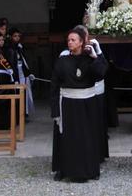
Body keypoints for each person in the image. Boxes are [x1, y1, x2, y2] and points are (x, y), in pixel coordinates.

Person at [51, 28, 108, 182]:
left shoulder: (90, 59)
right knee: (67, 139)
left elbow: (101, 73)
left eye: (73, 40)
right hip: (68, 104)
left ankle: (90, 170)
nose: (70, 42)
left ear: (82, 42)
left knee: (87, 138)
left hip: (87, 104)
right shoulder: (62, 60)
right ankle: (64, 170)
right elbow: (55, 85)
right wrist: (55, 109)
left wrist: (95, 56)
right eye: (68, 40)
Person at [7, 28, 35, 118]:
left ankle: (24, 113)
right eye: (15, 36)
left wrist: (28, 73)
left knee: (25, 95)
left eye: (19, 36)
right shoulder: (9, 49)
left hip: (22, 74)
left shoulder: (19, 47)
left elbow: (23, 61)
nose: (17, 38)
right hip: (16, 75)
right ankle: (17, 116)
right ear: (11, 37)